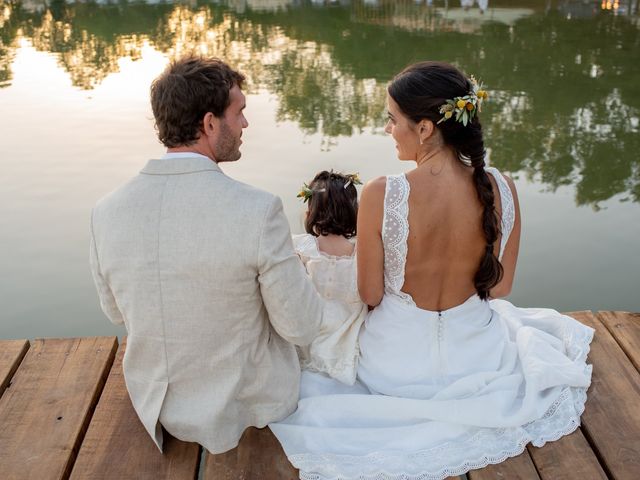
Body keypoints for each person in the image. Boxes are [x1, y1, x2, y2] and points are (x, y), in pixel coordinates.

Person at [269, 61, 594, 479]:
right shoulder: (503, 186)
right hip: (479, 360)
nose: (387, 129)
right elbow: (502, 287)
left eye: (392, 119)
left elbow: (370, 295)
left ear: (424, 129)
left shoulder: (381, 193)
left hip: (394, 368)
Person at [89, 56, 326, 454]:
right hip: (244, 407)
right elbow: (301, 327)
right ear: (210, 123)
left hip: (156, 404)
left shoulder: (105, 211)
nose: (245, 124)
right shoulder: (257, 210)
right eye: (240, 113)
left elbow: (117, 313)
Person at [292, 170, 368, 386]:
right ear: (354, 211)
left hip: (309, 341)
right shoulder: (362, 255)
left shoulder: (300, 248)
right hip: (346, 344)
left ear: (311, 211)